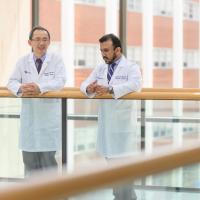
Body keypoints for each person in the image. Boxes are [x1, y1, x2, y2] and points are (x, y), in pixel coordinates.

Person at [80, 34, 142, 200]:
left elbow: (136, 84)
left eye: (106, 50)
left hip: (123, 131)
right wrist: (90, 88)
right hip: (107, 130)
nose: (103, 54)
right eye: (101, 50)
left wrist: (110, 89)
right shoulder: (100, 68)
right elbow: (83, 84)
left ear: (118, 50)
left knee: (124, 178)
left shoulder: (131, 67)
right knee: (116, 177)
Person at [7, 26, 66, 177]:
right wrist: (21, 88)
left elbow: (60, 81)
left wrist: (39, 87)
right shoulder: (22, 62)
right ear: (30, 42)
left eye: (45, 39)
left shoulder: (56, 60)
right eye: (37, 39)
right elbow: (11, 82)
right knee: (30, 166)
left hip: (49, 122)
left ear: (49, 42)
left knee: (49, 166)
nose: (41, 43)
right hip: (30, 122)